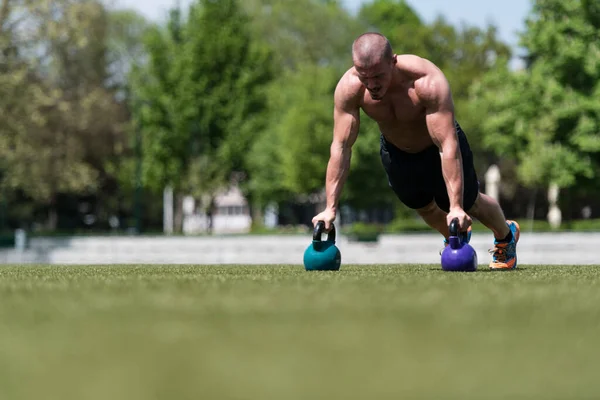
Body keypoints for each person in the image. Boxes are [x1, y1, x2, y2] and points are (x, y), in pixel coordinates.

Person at [311, 32, 520, 270]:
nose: (371, 85)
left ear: (393, 61)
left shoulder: (426, 82)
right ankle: (456, 236)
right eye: (364, 76)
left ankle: (506, 236)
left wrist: (455, 207)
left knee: (470, 203)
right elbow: (341, 146)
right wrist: (330, 208)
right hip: (397, 151)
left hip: (438, 145)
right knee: (423, 206)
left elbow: (447, 145)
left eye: (378, 76)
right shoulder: (350, 88)